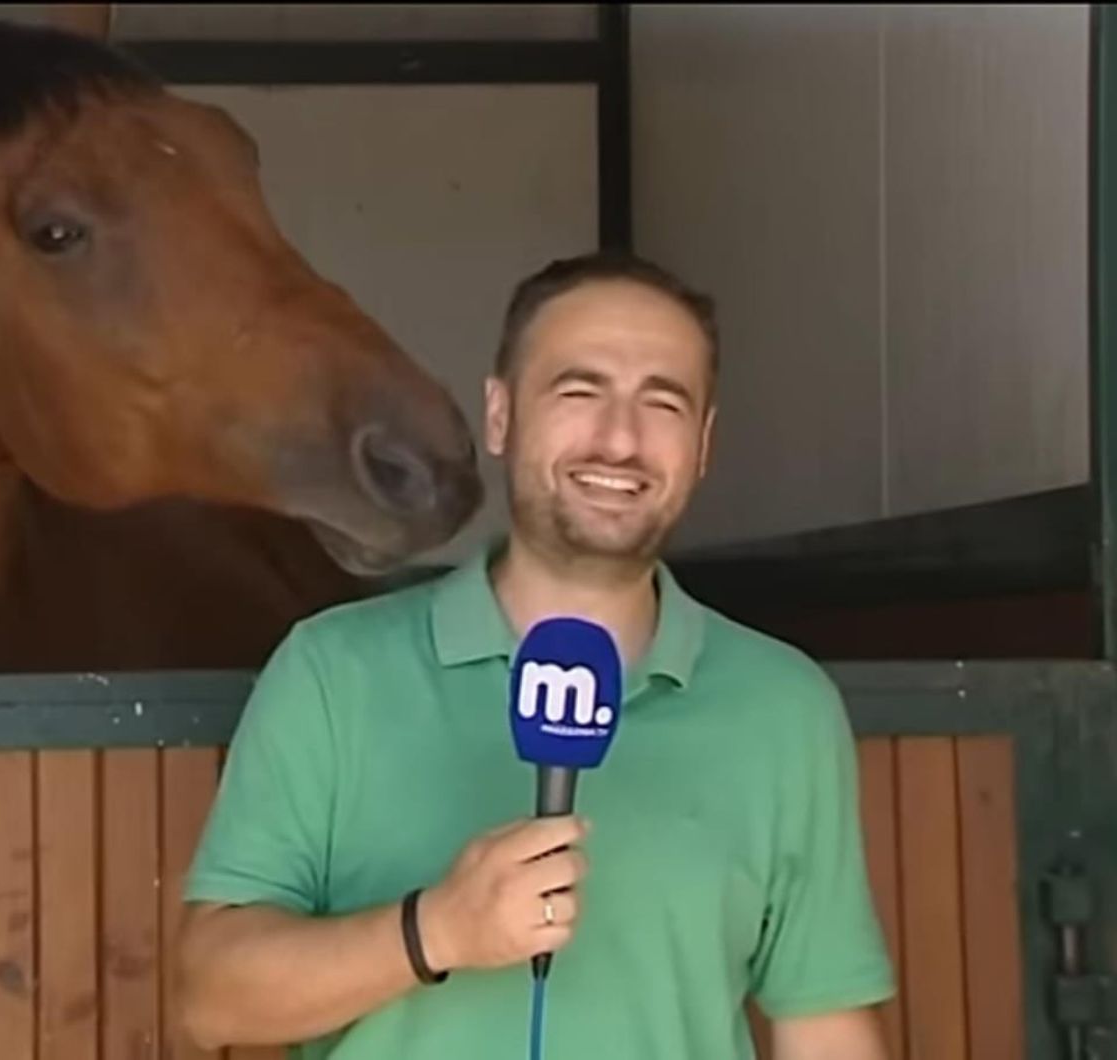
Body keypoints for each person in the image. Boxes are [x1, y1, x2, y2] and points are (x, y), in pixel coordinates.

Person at [175, 250, 896, 1059]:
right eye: (579, 391)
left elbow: (823, 1021)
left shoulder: (783, 707)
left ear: (703, 444)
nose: (620, 440)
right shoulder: (332, 673)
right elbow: (213, 998)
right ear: (500, 415)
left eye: (663, 403)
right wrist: (435, 932)